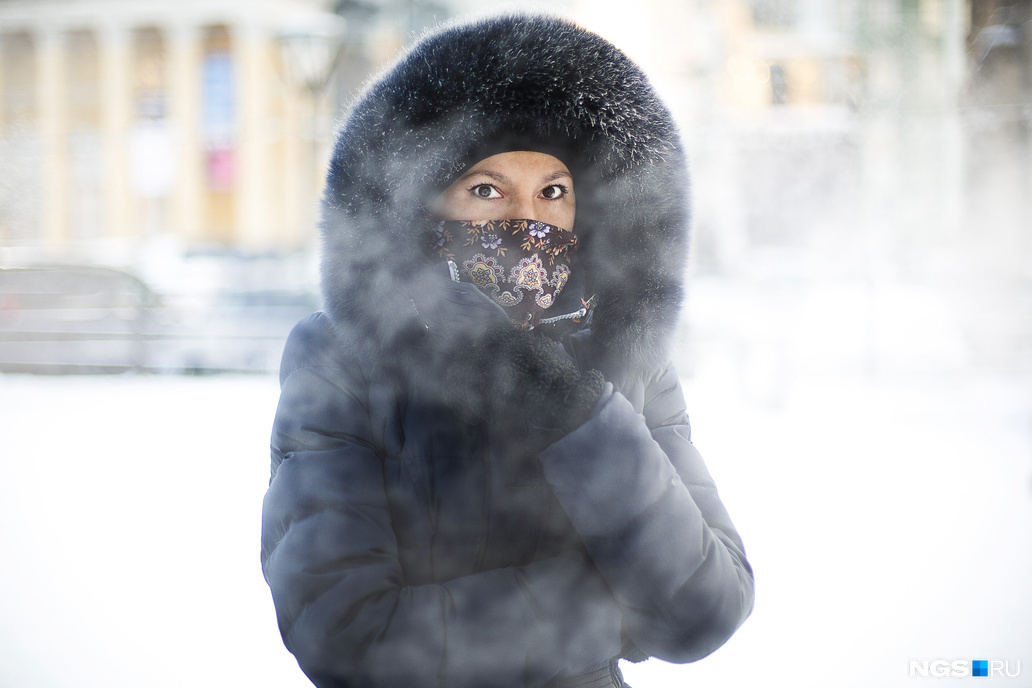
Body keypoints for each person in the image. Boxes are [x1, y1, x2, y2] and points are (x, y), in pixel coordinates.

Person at [261, 13, 754, 688]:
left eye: (554, 191)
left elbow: (707, 608)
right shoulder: (345, 362)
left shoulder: (623, 361)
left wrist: (573, 412)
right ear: (425, 204)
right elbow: (347, 636)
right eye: (487, 189)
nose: (527, 222)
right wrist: (610, 608)